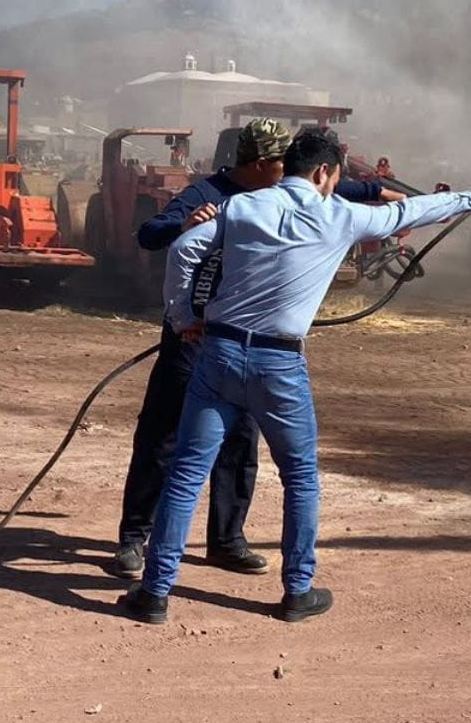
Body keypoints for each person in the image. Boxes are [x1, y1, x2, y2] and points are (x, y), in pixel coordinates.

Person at [118, 129, 471, 623]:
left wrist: (184, 317)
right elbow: (407, 214)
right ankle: (297, 591)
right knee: (299, 477)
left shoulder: (242, 207)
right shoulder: (339, 216)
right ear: (323, 173)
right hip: (279, 365)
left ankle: (154, 593)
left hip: (220, 355)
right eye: (336, 177)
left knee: (188, 472)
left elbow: (184, 248)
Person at [109, 119, 405, 580]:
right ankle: (133, 540)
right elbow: (151, 235)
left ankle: (226, 540)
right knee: (164, 439)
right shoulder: (206, 196)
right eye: (282, 163)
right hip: (191, 341)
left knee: (240, 441)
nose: (291, 172)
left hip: (235, 345)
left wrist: (382, 193)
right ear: (264, 164)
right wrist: (184, 225)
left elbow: (335, 185)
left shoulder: (278, 193)